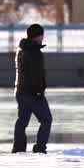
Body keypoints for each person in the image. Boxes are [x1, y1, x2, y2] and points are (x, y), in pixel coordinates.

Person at [12, 23, 52, 153]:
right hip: (33, 93)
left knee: (22, 121)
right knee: (46, 120)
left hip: (20, 91)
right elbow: (36, 74)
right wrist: (39, 92)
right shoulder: (34, 52)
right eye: (41, 35)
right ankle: (40, 148)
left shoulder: (21, 50)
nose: (43, 38)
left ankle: (18, 149)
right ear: (37, 36)